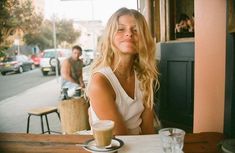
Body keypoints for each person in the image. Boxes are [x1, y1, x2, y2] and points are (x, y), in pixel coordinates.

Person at [86, 7, 160, 135]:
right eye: (121, 29)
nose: (129, 33)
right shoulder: (100, 81)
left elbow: (148, 129)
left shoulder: (144, 75)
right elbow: (121, 138)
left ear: (143, 39)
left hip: (139, 144)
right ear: (110, 36)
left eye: (136, 30)